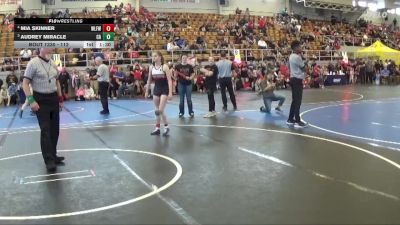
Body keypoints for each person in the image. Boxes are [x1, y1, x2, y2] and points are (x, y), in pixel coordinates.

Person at [22, 48, 65, 172]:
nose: (50, 48)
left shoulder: (52, 63)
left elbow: (57, 81)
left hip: (53, 99)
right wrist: (31, 100)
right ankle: (49, 160)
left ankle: (53, 155)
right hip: (40, 100)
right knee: (45, 130)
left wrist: (60, 98)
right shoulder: (33, 63)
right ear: (41, 48)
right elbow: (25, 83)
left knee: (55, 130)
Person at [145, 51, 172, 136]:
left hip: (164, 89)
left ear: (160, 57)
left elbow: (169, 80)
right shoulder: (151, 67)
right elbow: (149, 80)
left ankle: (166, 127)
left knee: (160, 110)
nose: (154, 58)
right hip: (156, 89)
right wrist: (146, 91)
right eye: (153, 56)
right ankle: (157, 128)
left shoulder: (165, 67)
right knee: (157, 110)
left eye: (155, 56)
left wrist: (170, 93)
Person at [287, 41, 308, 128]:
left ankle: (290, 119)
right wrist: (304, 61)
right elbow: (304, 69)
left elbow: (290, 67)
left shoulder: (291, 56)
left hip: (293, 79)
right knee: (297, 101)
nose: (301, 48)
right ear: (295, 48)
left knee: (294, 100)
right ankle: (297, 121)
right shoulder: (297, 57)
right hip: (297, 80)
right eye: (299, 46)